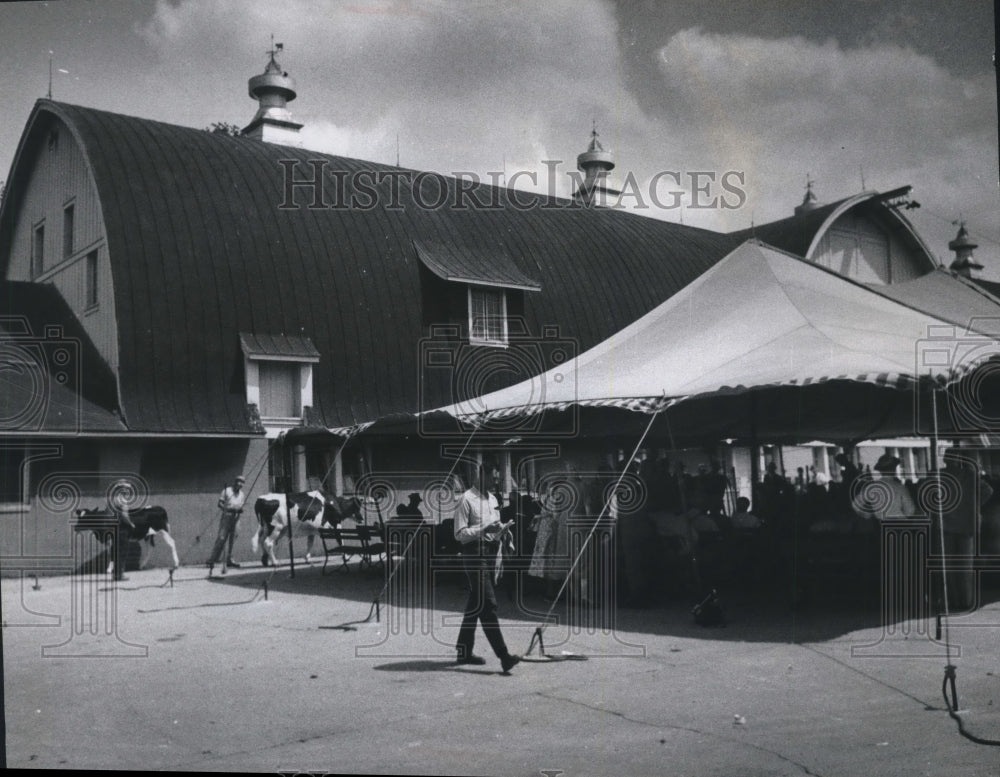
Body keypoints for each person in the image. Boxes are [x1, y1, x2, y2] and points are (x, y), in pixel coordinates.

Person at [453, 462, 521, 673]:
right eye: (493, 477)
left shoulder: (492, 499)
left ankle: (463, 651)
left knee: (475, 603)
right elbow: (459, 534)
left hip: (491, 554)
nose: (495, 482)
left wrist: (503, 530)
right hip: (474, 555)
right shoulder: (466, 499)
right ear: (480, 474)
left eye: (497, 478)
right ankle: (504, 656)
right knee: (488, 604)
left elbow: (494, 527)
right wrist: (484, 529)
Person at [938, 449, 993, 610]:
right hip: (967, 525)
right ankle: (966, 602)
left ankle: (952, 601)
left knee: (948, 567)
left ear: (945, 460)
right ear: (959, 459)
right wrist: (975, 506)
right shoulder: (970, 475)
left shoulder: (939, 476)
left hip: (945, 525)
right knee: (965, 567)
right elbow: (988, 491)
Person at [208, 475, 247, 576]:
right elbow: (220, 504)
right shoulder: (227, 491)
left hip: (236, 518)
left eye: (242, 483)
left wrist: (240, 509)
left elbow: (241, 506)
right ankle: (213, 559)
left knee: (233, 539)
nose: (240, 484)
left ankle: (230, 560)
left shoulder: (242, 494)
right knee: (221, 537)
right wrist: (227, 509)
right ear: (235, 482)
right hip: (227, 517)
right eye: (239, 482)